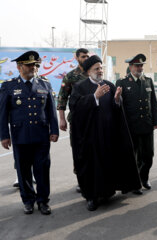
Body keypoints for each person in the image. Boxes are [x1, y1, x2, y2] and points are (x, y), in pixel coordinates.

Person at [69, 55, 142, 211]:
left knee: (109, 164)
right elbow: (75, 108)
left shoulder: (109, 85)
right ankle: (92, 197)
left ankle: (107, 192)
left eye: (101, 68)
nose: (100, 71)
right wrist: (94, 97)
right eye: (96, 68)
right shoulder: (80, 87)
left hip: (109, 135)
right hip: (90, 137)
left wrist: (117, 100)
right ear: (89, 71)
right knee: (93, 168)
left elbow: (116, 109)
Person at [0, 50, 59, 215]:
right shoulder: (9, 86)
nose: (33, 67)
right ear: (20, 67)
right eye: (29, 65)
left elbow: (51, 111)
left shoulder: (44, 84)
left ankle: (43, 201)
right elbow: (3, 113)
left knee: (42, 170)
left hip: (41, 136)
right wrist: (4, 136)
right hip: (20, 136)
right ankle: (28, 200)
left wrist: (54, 130)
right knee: (23, 170)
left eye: (34, 65)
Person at [115, 53, 157, 193]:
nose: (140, 68)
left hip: (146, 124)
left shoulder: (148, 81)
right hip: (131, 126)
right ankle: (135, 183)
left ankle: (144, 178)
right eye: (137, 65)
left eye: (141, 65)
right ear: (130, 67)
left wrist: (156, 120)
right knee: (132, 156)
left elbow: (153, 101)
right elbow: (118, 105)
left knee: (148, 155)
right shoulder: (122, 82)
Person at [57, 48, 89, 193]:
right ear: (77, 58)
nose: (86, 58)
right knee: (78, 150)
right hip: (76, 121)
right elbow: (62, 98)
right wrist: (62, 119)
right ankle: (81, 180)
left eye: (87, 56)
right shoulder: (70, 76)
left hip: (93, 120)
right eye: (83, 56)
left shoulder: (93, 73)